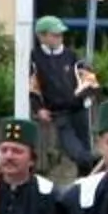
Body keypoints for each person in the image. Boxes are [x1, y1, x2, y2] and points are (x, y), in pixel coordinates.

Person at [28, 18, 96, 174]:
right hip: (58, 113)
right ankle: (96, 163)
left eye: (60, 34)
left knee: (85, 147)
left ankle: (85, 182)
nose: (59, 37)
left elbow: (88, 76)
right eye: (54, 34)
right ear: (41, 36)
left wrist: (88, 93)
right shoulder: (35, 58)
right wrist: (38, 109)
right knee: (74, 150)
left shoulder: (71, 55)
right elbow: (33, 86)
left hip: (79, 109)